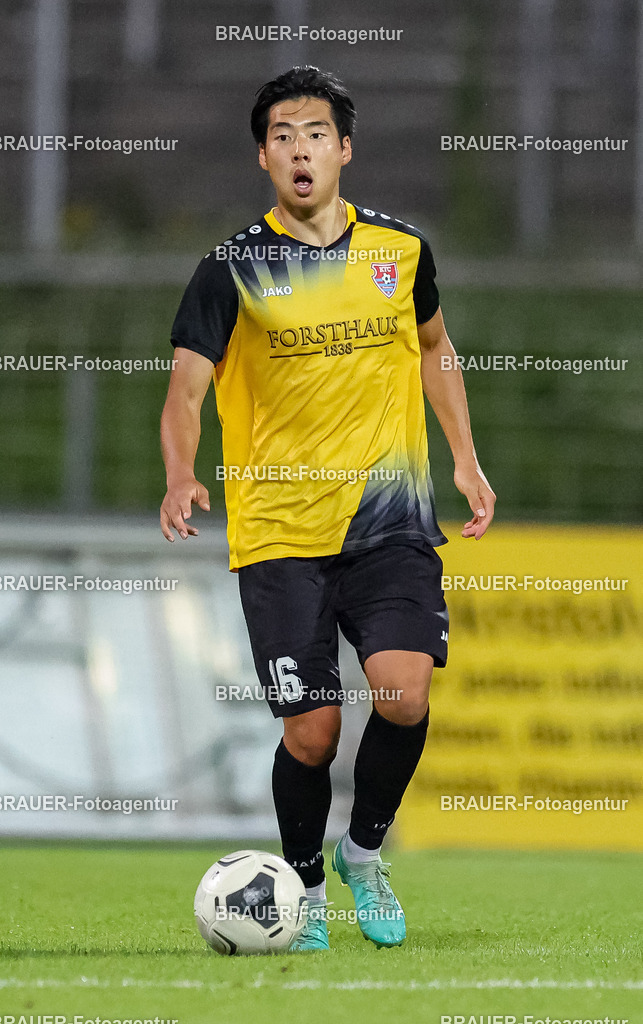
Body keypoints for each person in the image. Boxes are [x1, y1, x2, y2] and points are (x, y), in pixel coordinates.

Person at [160, 66, 495, 951]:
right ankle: (301, 887)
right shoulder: (232, 267)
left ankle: (364, 854)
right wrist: (178, 471)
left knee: (404, 693)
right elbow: (186, 388)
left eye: (314, 132)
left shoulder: (402, 251)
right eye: (281, 135)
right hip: (277, 535)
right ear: (262, 156)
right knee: (310, 734)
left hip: (388, 522)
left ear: (343, 149)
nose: (298, 148)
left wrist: (463, 457)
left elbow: (435, 349)